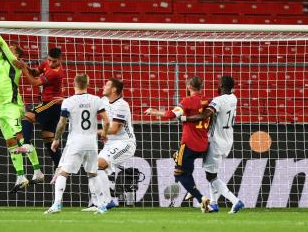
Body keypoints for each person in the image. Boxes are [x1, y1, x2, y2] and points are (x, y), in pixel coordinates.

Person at [0, 19, 43, 192]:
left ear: (17, 54)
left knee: (22, 139)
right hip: (2, 108)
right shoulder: (1, 62)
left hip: (13, 105)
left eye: (12, 49)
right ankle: (20, 175)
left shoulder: (14, 63)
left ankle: (37, 171)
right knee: (11, 143)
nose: (8, 49)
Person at [44, 74, 110, 215]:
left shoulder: (68, 101)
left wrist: (56, 139)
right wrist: (104, 133)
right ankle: (101, 205)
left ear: (74, 83)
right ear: (88, 83)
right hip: (91, 143)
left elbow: (62, 123)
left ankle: (57, 204)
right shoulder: (96, 100)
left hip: (76, 142)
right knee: (93, 173)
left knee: (63, 172)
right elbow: (107, 120)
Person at [145, 76, 211, 212]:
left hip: (189, 143)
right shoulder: (207, 101)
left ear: (188, 87)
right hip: (203, 144)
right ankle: (192, 191)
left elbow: (171, 115)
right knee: (181, 162)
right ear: (201, 86)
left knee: (179, 174)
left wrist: (154, 111)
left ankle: (201, 198)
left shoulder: (187, 101)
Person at [181, 75, 244, 214]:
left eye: (218, 84)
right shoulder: (234, 98)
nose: (217, 85)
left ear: (221, 86)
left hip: (216, 141)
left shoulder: (218, 101)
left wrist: (185, 117)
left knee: (211, 176)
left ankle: (235, 201)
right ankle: (214, 204)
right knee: (211, 173)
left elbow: (204, 116)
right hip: (228, 140)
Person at [83, 78, 136, 211]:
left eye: (107, 85)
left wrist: (96, 132)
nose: (104, 86)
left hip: (125, 144)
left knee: (97, 164)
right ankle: (97, 203)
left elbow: (114, 129)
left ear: (114, 89)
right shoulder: (103, 101)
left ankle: (107, 201)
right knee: (92, 168)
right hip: (110, 143)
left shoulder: (122, 105)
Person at [19, 47, 64, 169]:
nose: (50, 63)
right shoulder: (46, 64)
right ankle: (59, 166)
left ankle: (27, 144)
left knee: (27, 117)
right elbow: (35, 73)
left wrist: (23, 69)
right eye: (49, 60)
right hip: (53, 106)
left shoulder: (56, 73)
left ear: (60, 59)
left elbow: (34, 82)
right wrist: (26, 66)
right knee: (48, 137)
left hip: (51, 104)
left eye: (54, 61)